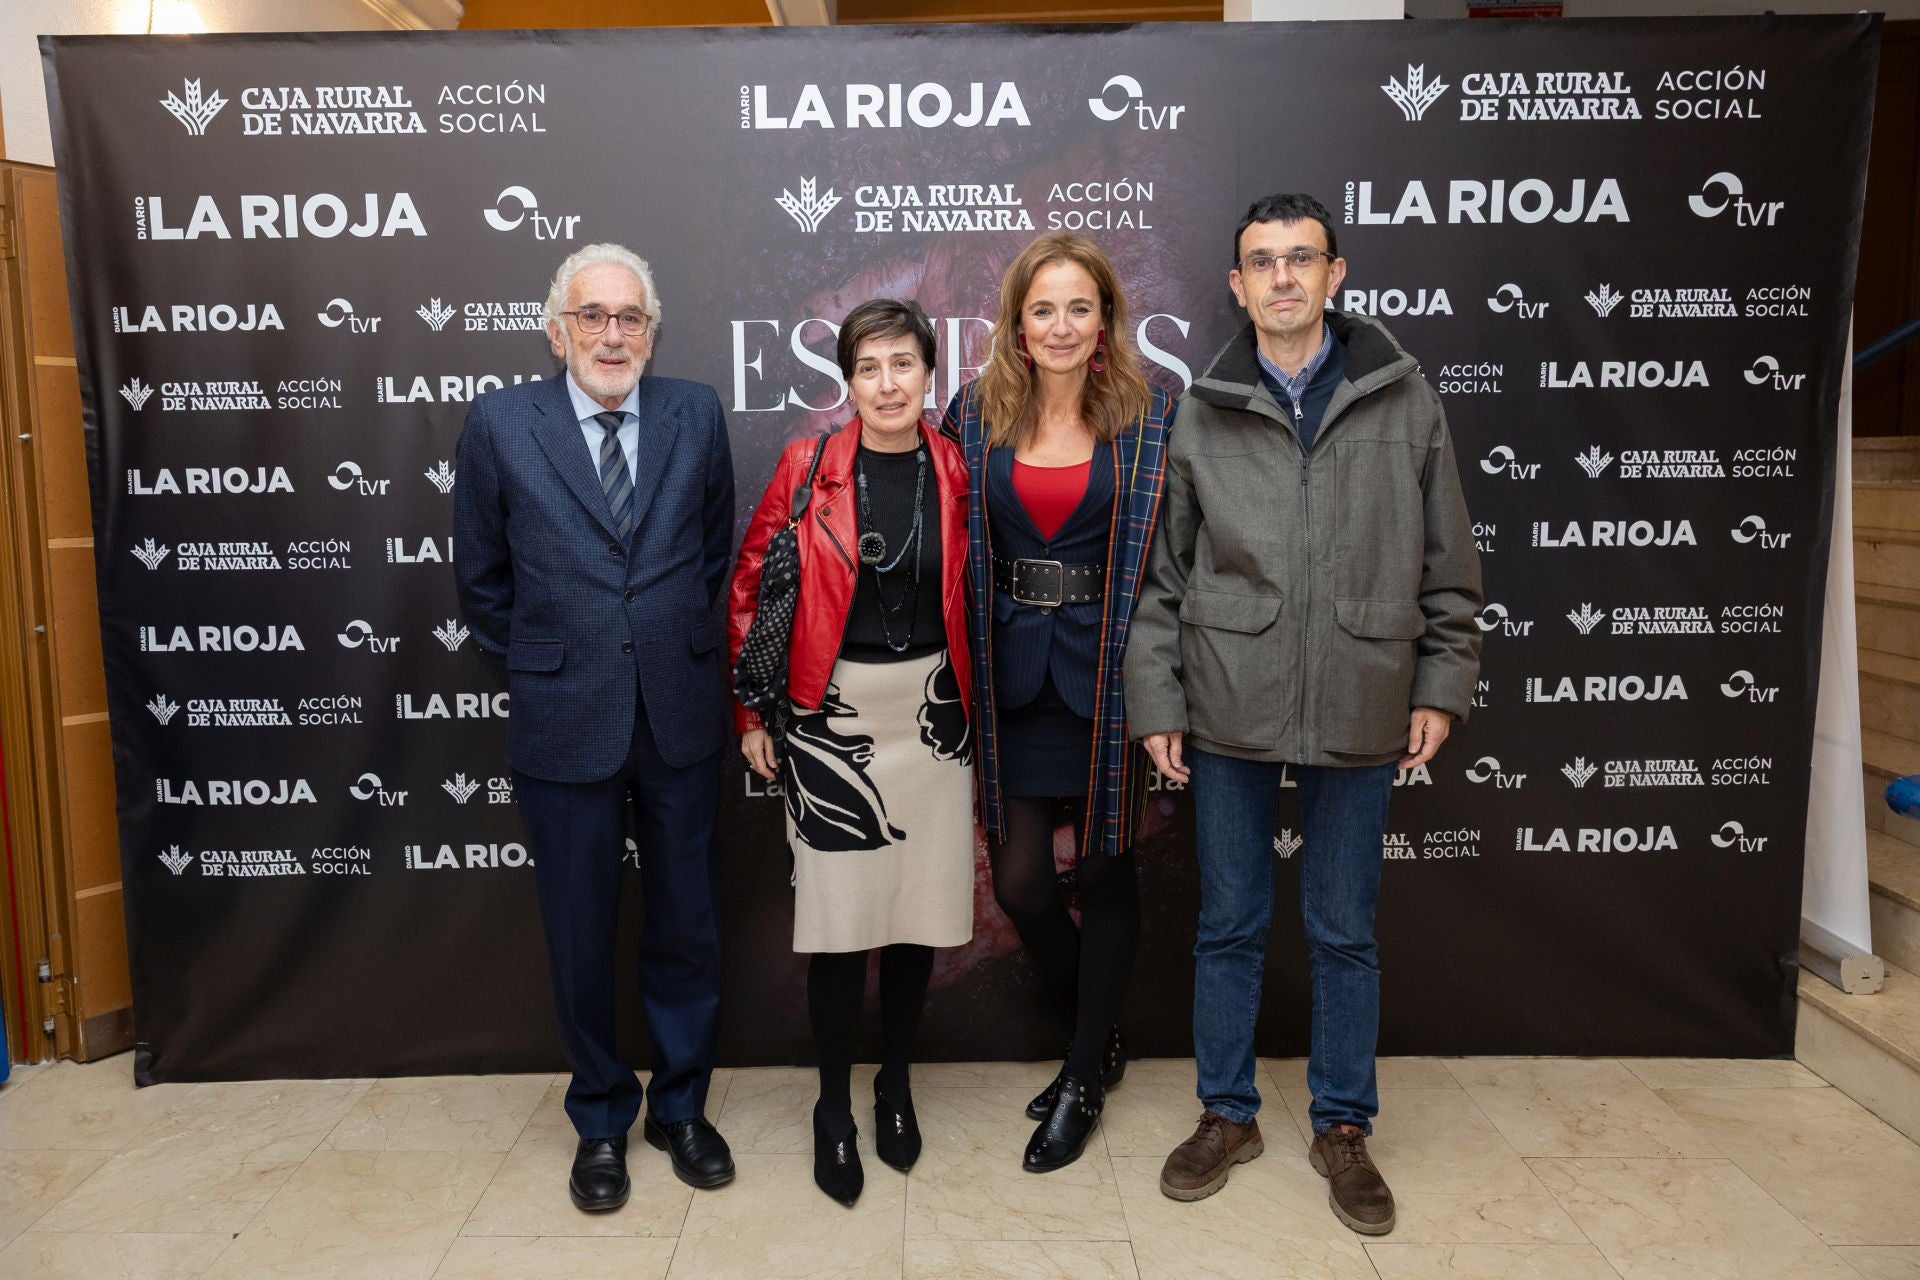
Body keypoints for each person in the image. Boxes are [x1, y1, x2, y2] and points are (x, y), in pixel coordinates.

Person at [1124, 194, 1483, 1232]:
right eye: (1261, 262)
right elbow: (1163, 578)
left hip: (1366, 695)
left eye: (1301, 259)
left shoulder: (1404, 399)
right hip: (1227, 701)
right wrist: (1159, 698)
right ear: (1235, 286)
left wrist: (1440, 682)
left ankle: (1343, 1125)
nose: (1282, 277)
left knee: (1343, 928)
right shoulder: (1200, 407)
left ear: (1336, 274)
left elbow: (1448, 564)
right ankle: (1226, 1111)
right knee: (1228, 923)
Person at [453, 242, 737, 1214]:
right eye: (593, 315)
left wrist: (660, 643)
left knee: (688, 923)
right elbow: (482, 581)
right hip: (561, 712)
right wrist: (550, 660)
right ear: (556, 327)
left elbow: (711, 556)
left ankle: (683, 1106)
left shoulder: (696, 411)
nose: (612, 334)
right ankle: (603, 1116)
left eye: (630, 317)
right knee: (579, 933)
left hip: (679, 708)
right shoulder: (499, 423)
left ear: (652, 333)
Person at [726, 299, 974, 1207]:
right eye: (869, 367)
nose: (887, 384)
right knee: (840, 929)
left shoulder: (957, 465)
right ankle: (833, 1107)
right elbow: (753, 584)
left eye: (903, 364)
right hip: (827, 716)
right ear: (848, 378)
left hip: (934, 712)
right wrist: (753, 714)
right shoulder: (808, 466)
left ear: (928, 371)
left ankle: (894, 1086)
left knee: (913, 921)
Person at [942, 231, 1175, 1173]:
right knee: (1024, 884)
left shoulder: (1152, 417)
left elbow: (1173, 560)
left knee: (1109, 874)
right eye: (1044, 308)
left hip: (1114, 675)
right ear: (1016, 323)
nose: (1062, 325)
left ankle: (1084, 1073)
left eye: (1081, 307)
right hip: (1008, 680)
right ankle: (1100, 1034)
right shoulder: (973, 413)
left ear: (1106, 319)